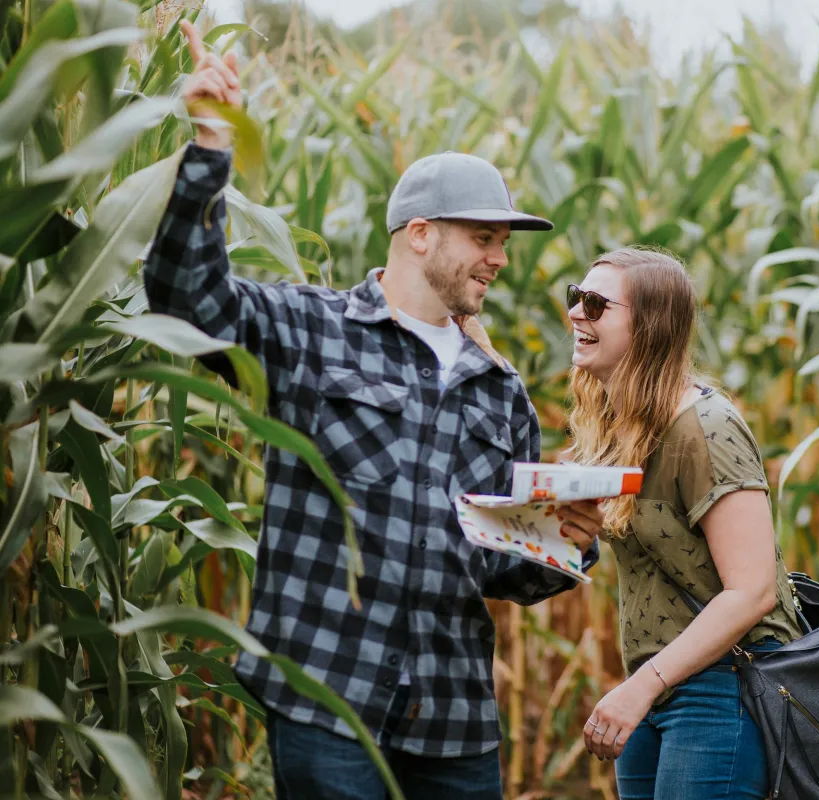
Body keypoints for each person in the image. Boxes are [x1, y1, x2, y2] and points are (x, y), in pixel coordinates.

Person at [144, 20, 605, 800]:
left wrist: (567, 543)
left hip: (452, 720)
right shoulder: (310, 330)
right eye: (484, 238)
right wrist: (211, 147)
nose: (499, 259)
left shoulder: (501, 391)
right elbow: (186, 300)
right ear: (420, 235)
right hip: (329, 699)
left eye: (502, 242)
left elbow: (501, 567)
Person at [563, 248, 805, 799]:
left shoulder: (706, 428)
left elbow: (753, 591)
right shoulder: (620, 426)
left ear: (650, 326)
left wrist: (640, 688)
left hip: (723, 689)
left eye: (596, 304)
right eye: (575, 297)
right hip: (654, 686)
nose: (576, 312)